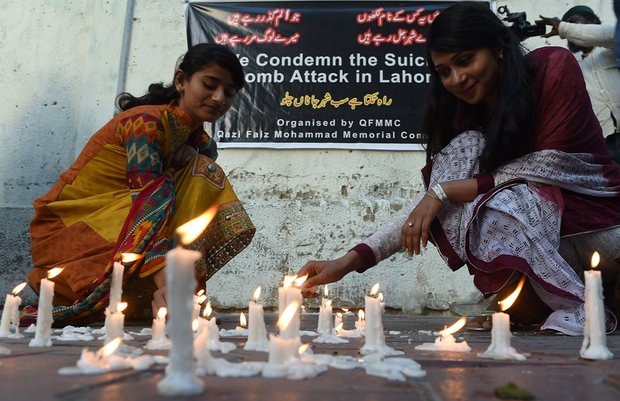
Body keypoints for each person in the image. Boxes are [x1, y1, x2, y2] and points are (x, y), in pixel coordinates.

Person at [297, 2, 620, 335]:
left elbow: (546, 168)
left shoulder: (553, 68)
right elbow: (425, 208)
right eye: (444, 71)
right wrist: (347, 262)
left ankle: (587, 307)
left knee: (497, 204)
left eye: (466, 61)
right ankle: (575, 303)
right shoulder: (464, 122)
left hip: (599, 227)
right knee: (470, 211)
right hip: (552, 251)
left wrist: (445, 191)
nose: (457, 79)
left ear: (497, 47)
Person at [25, 43, 255, 324]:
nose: (219, 98)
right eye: (209, 85)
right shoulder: (145, 123)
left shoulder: (196, 138)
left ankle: (164, 293)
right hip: (72, 233)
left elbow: (207, 152)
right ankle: (169, 289)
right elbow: (149, 203)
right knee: (181, 183)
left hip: (125, 224)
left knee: (202, 171)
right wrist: (169, 283)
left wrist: (195, 152)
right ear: (181, 81)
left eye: (229, 93)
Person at [539, 6, 620, 164]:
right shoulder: (573, 66)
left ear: (593, 22)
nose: (570, 34)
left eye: (574, 22)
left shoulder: (613, 49)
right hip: (605, 143)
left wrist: (563, 27)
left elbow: (610, 34)